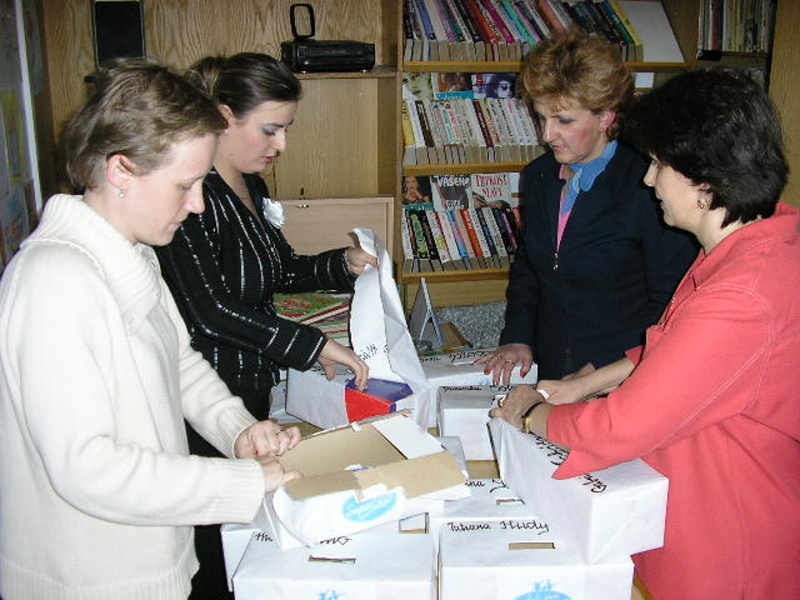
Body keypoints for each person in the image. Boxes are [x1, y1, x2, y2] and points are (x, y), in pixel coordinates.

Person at [491, 67, 800, 599]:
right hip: (702, 506)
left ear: (704, 180)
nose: (649, 179)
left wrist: (532, 414)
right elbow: (675, 348)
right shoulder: (752, 246)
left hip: (725, 539)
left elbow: (621, 426)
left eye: (659, 164)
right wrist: (584, 384)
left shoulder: (742, 296)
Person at [0, 60, 302, 600]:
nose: (197, 204)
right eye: (185, 184)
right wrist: (245, 481)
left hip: (149, 554)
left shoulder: (131, 252)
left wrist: (237, 429)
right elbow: (88, 469)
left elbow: (180, 362)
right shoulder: (54, 281)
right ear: (121, 171)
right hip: (90, 578)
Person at [154, 52, 374, 598]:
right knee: (214, 539)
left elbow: (278, 270)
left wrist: (341, 264)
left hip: (248, 382)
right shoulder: (193, 195)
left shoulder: (251, 187)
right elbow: (211, 310)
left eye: (286, 129)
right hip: (204, 394)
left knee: (244, 528)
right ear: (224, 117)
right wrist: (311, 345)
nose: (281, 145)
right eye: (270, 129)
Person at [477, 31, 696, 383]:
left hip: (624, 375)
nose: (546, 135)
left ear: (605, 117)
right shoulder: (538, 176)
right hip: (550, 369)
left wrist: (601, 371)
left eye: (563, 121)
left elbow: (672, 301)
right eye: (541, 117)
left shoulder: (650, 186)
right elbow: (529, 268)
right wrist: (517, 336)